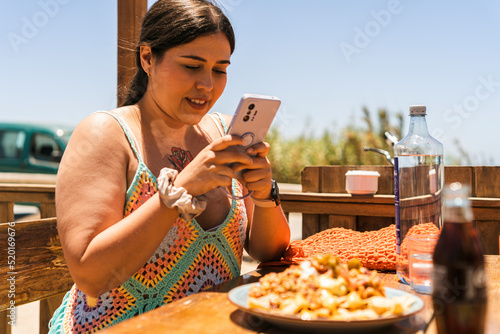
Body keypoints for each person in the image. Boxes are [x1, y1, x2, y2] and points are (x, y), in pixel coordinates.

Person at [48, 0, 290, 332]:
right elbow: (91, 276)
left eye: (220, 69)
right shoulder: (106, 134)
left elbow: (269, 251)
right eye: (192, 66)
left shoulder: (221, 132)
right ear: (147, 58)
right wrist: (180, 192)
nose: (207, 84)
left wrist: (264, 195)